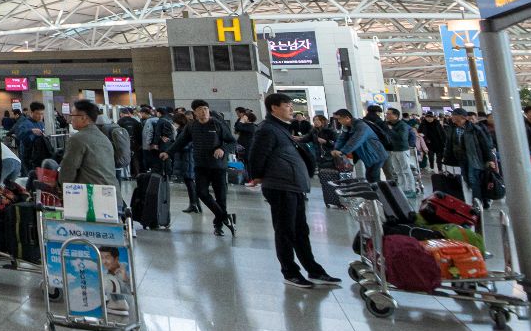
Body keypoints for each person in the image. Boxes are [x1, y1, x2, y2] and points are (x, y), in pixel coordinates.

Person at [247, 91, 339, 290]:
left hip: (291, 185)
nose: (291, 109)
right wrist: (257, 176)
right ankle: (290, 272)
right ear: (274, 108)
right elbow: (256, 156)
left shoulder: (281, 128)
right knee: (285, 230)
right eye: (287, 105)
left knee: (300, 230)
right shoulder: (268, 129)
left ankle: (313, 268)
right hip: (279, 186)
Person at [163, 99, 234, 235]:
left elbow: (231, 141)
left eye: (206, 109)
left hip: (218, 166)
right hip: (201, 165)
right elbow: (180, 142)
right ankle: (224, 216)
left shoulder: (217, 124)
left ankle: (218, 226)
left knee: (221, 197)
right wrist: (168, 153)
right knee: (201, 192)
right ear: (195, 113)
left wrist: (222, 149)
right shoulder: (192, 127)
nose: (204, 111)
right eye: (200, 109)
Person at [60, 100, 120, 190]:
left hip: (92, 197)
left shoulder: (77, 139)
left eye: (72, 115)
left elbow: (68, 171)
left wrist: (61, 187)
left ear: (84, 118)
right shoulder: (103, 137)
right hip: (112, 193)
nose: (70, 119)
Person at [332, 108, 387, 184]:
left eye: (339, 119)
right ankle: (376, 193)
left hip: (376, 155)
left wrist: (342, 152)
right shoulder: (347, 127)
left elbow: (355, 140)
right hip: (368, 156)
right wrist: (336, 149)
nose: (338, 121)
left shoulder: (361, 126)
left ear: (347, 118)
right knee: (370, 177)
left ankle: (381, 194)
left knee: (373, 178)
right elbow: (342, 139)